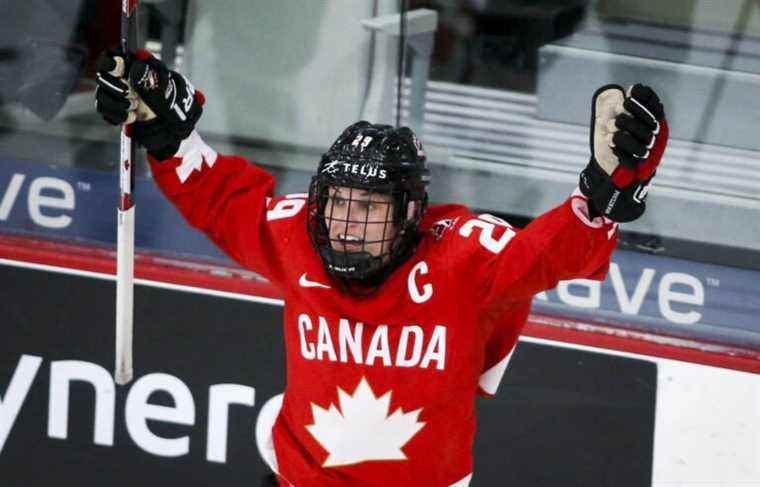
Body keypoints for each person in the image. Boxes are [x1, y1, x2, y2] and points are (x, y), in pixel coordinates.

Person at [95, 49, 668, 486]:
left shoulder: (461, 256)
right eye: (339, 202)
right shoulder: (302, 235)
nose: (346, 223)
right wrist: (168, 135)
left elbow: (547, 254)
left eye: (368, 206)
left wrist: (604, 196)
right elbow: (224, 202)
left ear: (412, 212)